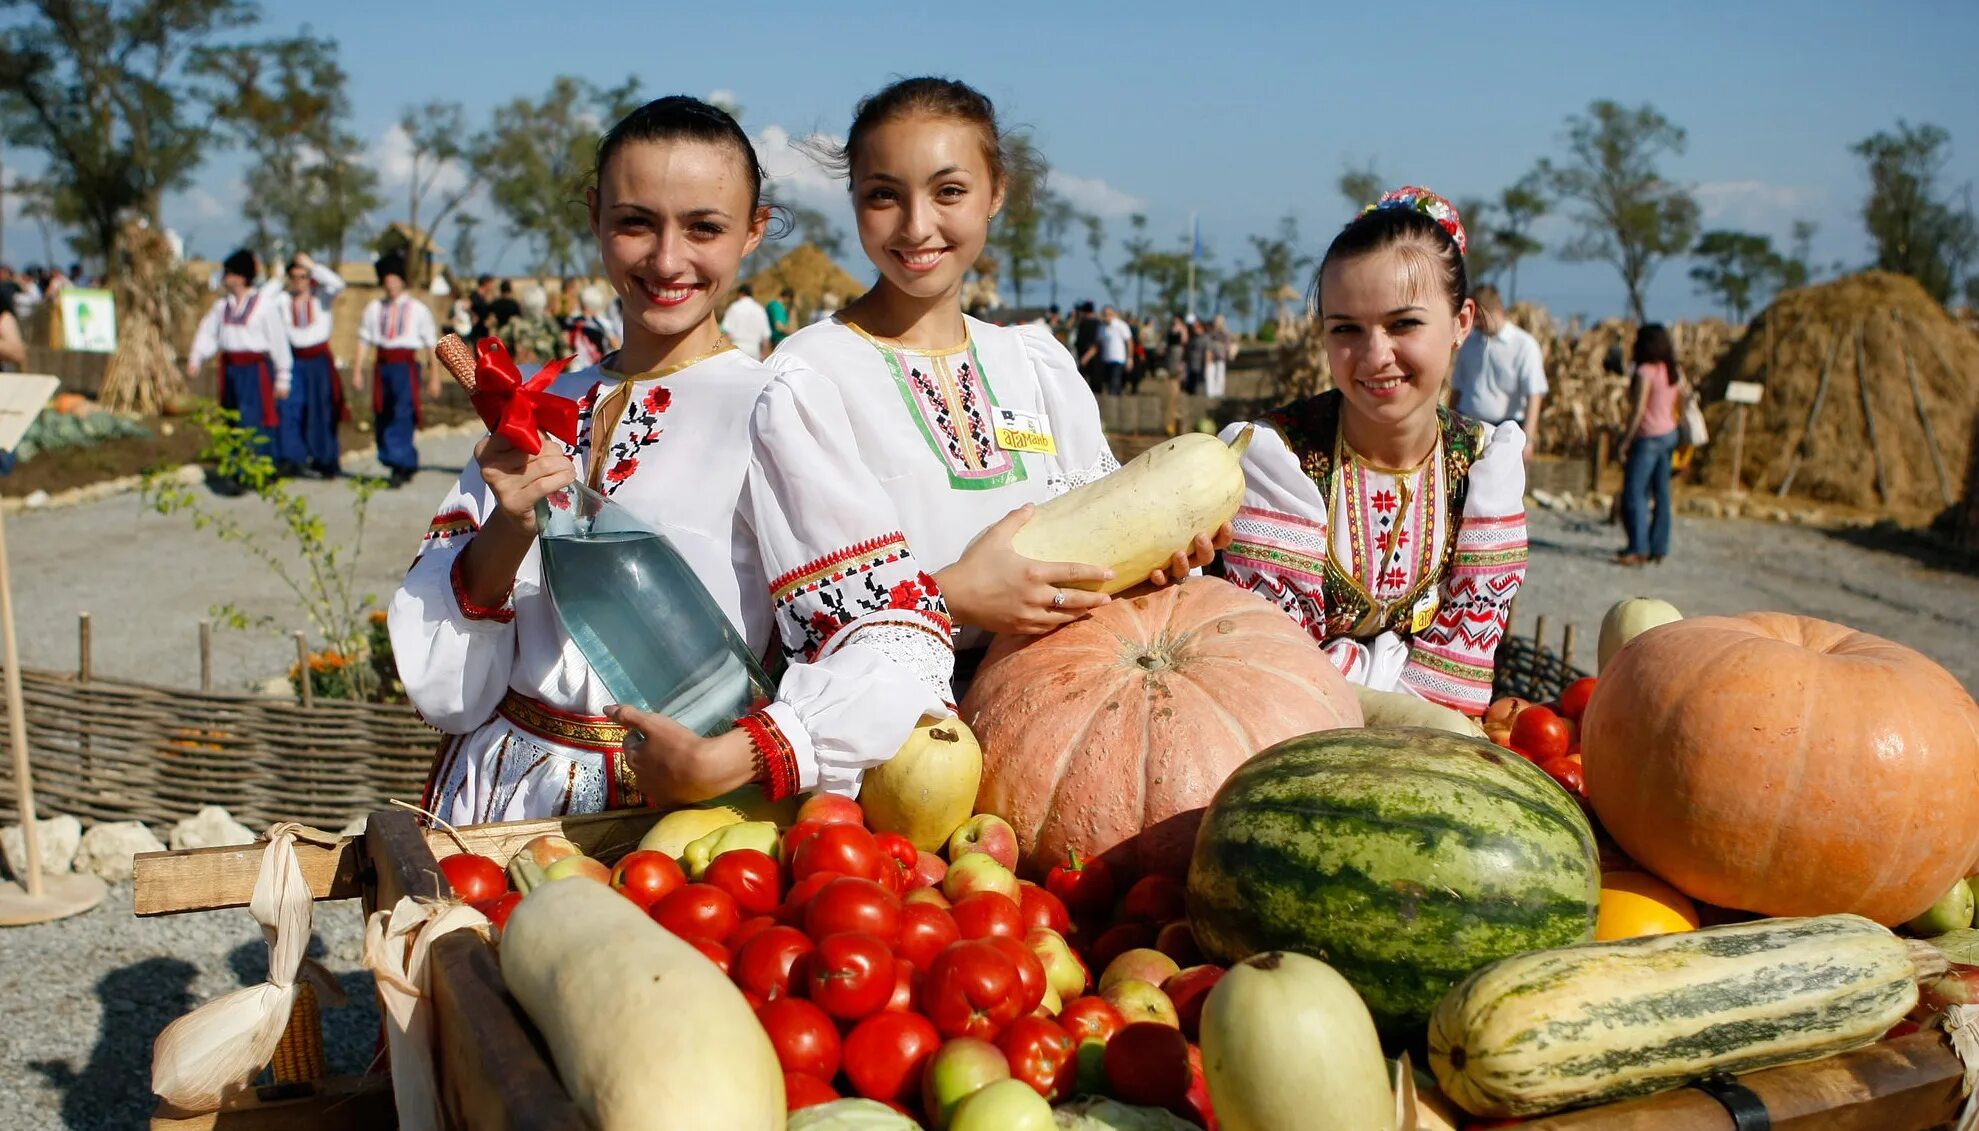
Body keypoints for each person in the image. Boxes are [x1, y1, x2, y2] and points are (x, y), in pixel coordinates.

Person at [393, 95, 949, 823]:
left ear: (753, 231)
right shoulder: (536, 404)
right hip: (494, 800)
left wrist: (744, 754)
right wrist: (511, 526)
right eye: (634, 222)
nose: (665, 259)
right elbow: (450, 688)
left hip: (670, 823)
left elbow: (899, 636)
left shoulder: (771, 407)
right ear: (594, 216)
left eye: (704, 228)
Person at [770, 76, 1221, 684]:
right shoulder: (808, 378)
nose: (916, 226)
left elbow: (1098, 540)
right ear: (854, 199)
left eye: (949, 191)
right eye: (884, 196)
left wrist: (1152, 561)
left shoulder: (1036, 364)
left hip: (1056, 698)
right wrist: (951, 598)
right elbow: (802, 616)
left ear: (996, 193)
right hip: (895, 732)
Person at [1216, 187, 1527, 717]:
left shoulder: (1485, 466)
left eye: (1403, 324)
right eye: (1346, 330)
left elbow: (1458, 683)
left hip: (1430, 756)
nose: (1375, 356)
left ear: (1462, 322)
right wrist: (1393, 668)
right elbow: (1279, 670)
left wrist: (1365, 671)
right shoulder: (1276, 461)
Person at [187, 249, 294, 475]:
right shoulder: (222, 307)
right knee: (232, 418)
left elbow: (278, 341)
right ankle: (237, 470)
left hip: (255, 371)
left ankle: (261, 468)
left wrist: (283, 377)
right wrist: (197, 357)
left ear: (240, 277)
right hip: (231, 370)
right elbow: (208, 333)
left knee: (255, 418)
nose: (225, 278)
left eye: (229, 273)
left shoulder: (264, 306)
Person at [353, 252, 440, 488]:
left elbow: (430, 344)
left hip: (405, 366)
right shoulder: (374, 308)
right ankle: (395, 459)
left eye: (394, 278)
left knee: (403, 412)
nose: (390, 284)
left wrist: (434, 378)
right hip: (383, 366)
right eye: (386, 279)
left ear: (402, 280)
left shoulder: (417, 309)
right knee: (383, 412)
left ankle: (401, 462)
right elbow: (364, 339)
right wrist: (358, 370)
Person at [262, 251, 348, 479]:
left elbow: (338, 284)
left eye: (303, 276)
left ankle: (325, 459)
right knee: (289, 407)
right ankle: (291, 458)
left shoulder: (322, 298)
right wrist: (277, 278)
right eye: (294, 277)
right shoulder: (283, 301)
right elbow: (262, 300)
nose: (298, 281)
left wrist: (311, 265)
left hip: (319, 360)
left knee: (321, 409)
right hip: (294, 359)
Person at [1450, 284, 1546, 459]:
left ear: (1496, 310)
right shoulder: (1469, 344)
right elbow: (1457, 388)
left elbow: (1534, 395)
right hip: (1467, 426)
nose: (1475, 323)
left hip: (1504, 431)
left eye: (1479, 317)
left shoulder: (1524, 345)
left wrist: (1529, 440)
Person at [1615, 323, 1684, 566]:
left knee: (1634, 493)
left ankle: (1638, 547)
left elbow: (1639, 409)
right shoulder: (1671, 370)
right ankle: (1659, 546)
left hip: (1648, 437)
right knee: (1662, 493)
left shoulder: (1645, 371)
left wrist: (1626, 439)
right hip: (1669, 435)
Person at [1078, 304, 1132, 394]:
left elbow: (1129, 342)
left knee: (1114, 383)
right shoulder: (1101, 328)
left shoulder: (1121, 326)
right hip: (1106, 360)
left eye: (1109, 314)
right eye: (1105, 314)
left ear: (1113, 314)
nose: (1107, 316)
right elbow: (1097, 345)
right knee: (1107, 384)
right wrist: (1086, 357)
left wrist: (1130, 358)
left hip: (1118, 359)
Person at [719, 283, 772, 360]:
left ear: (740, 293)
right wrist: (764, 355)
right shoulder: (760, 309)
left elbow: (726, 331)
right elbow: (766, 337)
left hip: (736, 348)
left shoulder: (734, 307)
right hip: (754, 350)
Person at [1205, 314, 1234, 398]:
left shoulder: (1225, 333)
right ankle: (1211, 393)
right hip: (1212, 355)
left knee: (1220, 374)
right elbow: (1209, 344)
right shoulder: (1211, 333)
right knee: (1211, 374)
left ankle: (1219, 392)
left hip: (1221, 356)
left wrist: (1227, 353)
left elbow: (1227, 345)